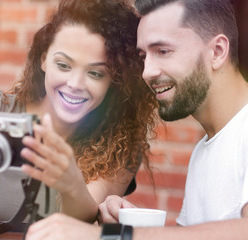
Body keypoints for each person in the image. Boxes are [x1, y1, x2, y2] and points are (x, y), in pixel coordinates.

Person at [24, 0, 248, 239]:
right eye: (144, 56)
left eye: (163, 51)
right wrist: (126, 227)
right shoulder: (206, 150)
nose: (147, 72)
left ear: (217, 51)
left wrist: (104, 236)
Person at [0, 0, 157, 226]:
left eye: (96, 74)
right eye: (63, 65)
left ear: (114, 81)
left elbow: (78, 222)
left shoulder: (119, 144)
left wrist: (70, 182)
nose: (75, 83)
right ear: (43, 60)